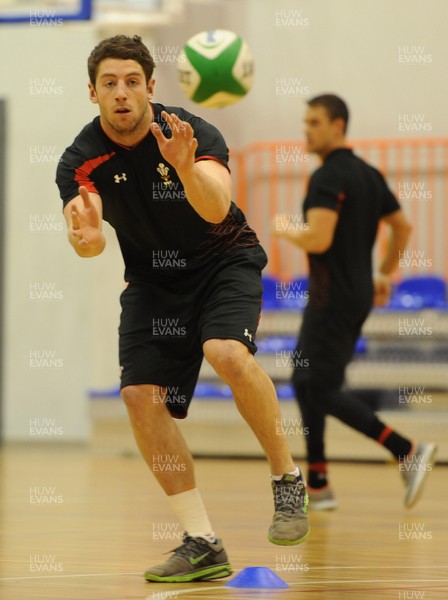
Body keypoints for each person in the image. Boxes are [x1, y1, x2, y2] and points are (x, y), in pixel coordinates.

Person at [56, 35, 309, 583]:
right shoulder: (80, 159)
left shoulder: (192, 133)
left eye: (131, 82)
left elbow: (216, 207)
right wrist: (89, 237)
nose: (121, 93)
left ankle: (287, 479)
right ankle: (201, 541)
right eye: (109, 84)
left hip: (224, 260)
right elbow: (89, 233)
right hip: (153, 281)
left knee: (225, 352)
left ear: (151, 86)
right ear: (92, 93)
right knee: (139, 397)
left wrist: (185, 167)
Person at [274, 93, 437, 511]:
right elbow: (402, 227)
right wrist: (383, 274)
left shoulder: (327, 176)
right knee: (308, 382)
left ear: (338, 126)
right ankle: (320, 483)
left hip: (331, 299)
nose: (306, 129)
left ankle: (406, 449)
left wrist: (285, 228)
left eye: (314, 122)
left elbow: (319, 238)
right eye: (305, 121)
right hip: (355, 295)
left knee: (314, 384)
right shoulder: (368, 173)